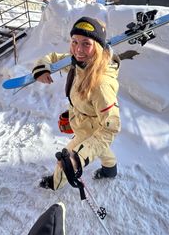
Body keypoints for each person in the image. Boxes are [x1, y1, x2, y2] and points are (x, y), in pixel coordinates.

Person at [32, 17, 121, 190]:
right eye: (74, 42)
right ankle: (110, 169)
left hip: (93, 127)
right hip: (82, 120)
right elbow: (54, 58)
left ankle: (55, 183)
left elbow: (110, 128)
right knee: (100, 148)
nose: (78, 49)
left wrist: (78, 159)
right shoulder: (79, 62)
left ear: (97, 46)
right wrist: (42, 67)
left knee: (67, 159)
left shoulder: (101, 85)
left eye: (86, 43)